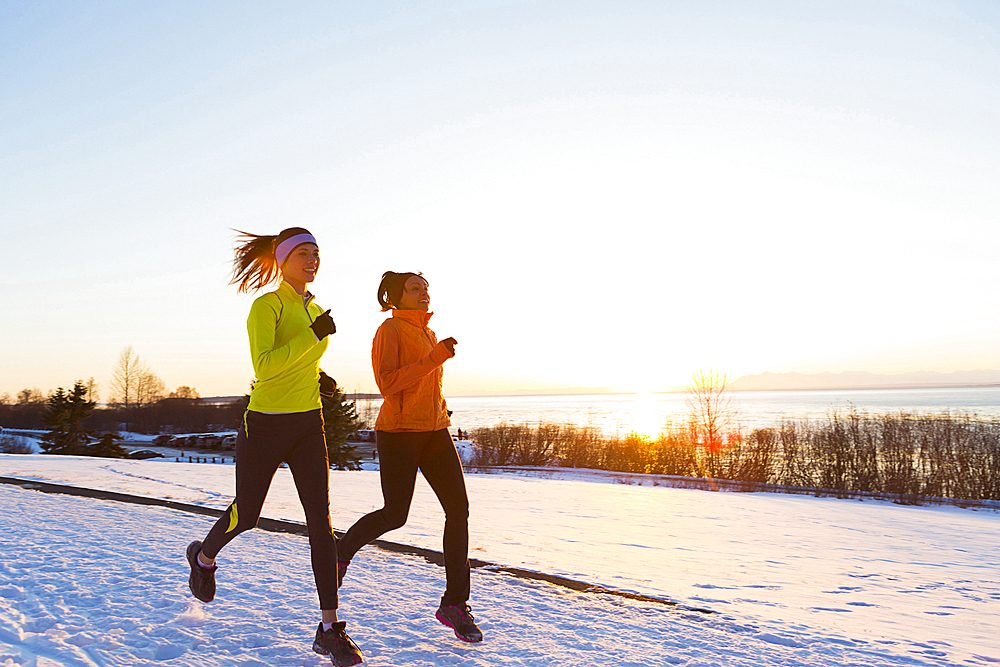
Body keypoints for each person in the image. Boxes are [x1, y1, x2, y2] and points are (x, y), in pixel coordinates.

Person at [185, 227, 363, 667]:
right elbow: (264, 366)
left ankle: (329, 629)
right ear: (282, 260)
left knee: (320, 525)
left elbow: (298, 361)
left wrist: (319, 376)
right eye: (304, 252)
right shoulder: (266, 305)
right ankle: (203, 557)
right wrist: (313, 337)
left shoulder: (315, 308)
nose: (313, 259)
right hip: (264, 425)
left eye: (317, 253)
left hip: (307, 424)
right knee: (247, 514)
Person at [336, 271, 483, 643]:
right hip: (399, 433)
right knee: (395, 514)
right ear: (394, 297)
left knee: (458, 511)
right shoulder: (390, 330)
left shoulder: (427, 332)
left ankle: (454, 604)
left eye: (426, 288)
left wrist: (441, 408)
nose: (424, 294)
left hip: (435, 432)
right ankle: (342, 551)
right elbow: (388, 384)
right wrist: (434, 359)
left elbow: (426, 386)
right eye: (415, 288)